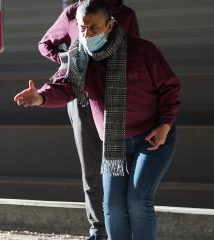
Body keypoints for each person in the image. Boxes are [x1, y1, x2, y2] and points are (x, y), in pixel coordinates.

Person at [14, 0, 181, 239]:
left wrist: (165, 124)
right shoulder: (80, 56)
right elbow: (65, 85)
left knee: (137, 200)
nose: (87, 33)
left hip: (152, 136)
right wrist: (40, 97)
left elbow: (170, 88)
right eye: (82, 28)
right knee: (112, 207)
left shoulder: (142, 51)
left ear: (110, 25)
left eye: (94, 28)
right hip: (115, 142)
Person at [37, 0, 139, 239]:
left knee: (119, 165)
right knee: (92, 169)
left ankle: (122, 228)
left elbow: (135, 53)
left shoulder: (125, 14)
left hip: (114, 98)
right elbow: (45, 43)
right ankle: (98, 229)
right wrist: (69, 61)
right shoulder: (73, 12)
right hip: (80, 97)